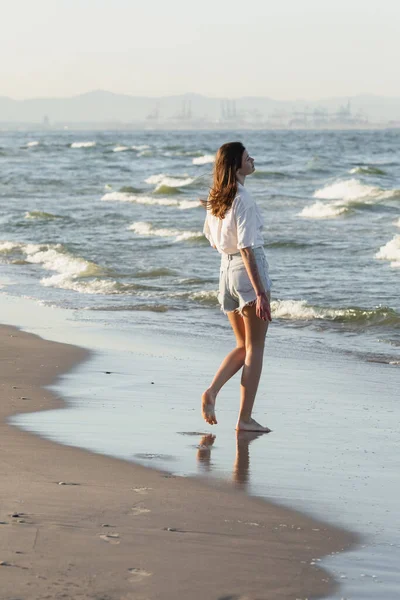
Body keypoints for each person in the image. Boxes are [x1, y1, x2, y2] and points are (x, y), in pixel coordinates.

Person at [201, 141, 272, 432]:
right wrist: (260, 292)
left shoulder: (217, 197)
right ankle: (244, 419)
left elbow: (211, 238)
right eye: (246, 157)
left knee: (242, 345)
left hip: (225, 271)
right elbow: (246, 247)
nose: (252, 159)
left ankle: (212, 392)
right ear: (236, 165)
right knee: (255, 348)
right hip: (245, 272)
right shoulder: (243, 199)